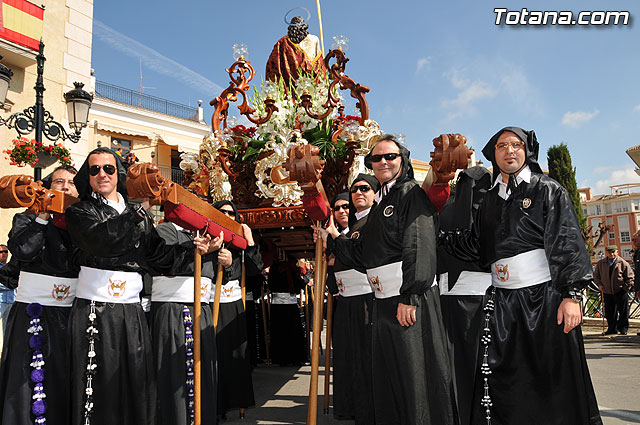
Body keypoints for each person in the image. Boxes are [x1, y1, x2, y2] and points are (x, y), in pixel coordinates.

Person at [441, 127, 602, 425]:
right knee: (505, 381)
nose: (510, 150)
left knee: (550, 381)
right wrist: (439, 237)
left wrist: (571, 296)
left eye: (516, 145)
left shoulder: (548, 190)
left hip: (544, 301)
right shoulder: (488, 201)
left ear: (526, 151)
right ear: (494, 153)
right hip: (502, 303)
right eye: (502, 146)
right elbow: (476, 246)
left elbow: (566, 242)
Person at [65, 147, 211, 425]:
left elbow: (158, 257)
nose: (101, 174)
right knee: (99, 384)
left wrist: (195, 249)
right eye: (94, 169)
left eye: (108, 168)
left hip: (132, 311)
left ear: (118, 174)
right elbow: (101, 241)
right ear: (88, 175)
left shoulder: (137, 214)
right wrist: (138, 213)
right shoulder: (80, 211)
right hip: (96, 310)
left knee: (137, 380)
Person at [319, 134, 457, 424]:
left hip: (406, 301)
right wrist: (334, 240)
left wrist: (411, 296)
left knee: (413, 379)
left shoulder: (410, 193)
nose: (383, 162)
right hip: (383, 303)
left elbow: (418, 243)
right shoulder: (381, 201)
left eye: (390, 156)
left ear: (402, 160)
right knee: (390, 379)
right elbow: (363, 253)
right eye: (377, 158)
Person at [0, 165, 80, 425]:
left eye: (71, 182)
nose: (65, 187)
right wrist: (43, 215)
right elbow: (24, 251)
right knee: (28, 375)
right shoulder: (27, 218)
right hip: (33, 311)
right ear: (48, 187)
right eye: (59, 182)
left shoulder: (81, 223)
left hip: (69, 312)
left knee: (64, 374)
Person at [150, 221, 224, 425]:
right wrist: (195, 249)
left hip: (202, 309)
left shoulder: (207, 235)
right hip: (175, 309)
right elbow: (166, 261)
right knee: (175, 372)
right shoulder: (166, 230)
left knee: (203, 372)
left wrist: (224, 261)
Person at [436, 166, 492, 425]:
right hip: (478, 300)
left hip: (455, 299)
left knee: (459, 366)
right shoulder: (488, 209)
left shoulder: (445, 211)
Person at [325, 174, 378, 423]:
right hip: (344, 302)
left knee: (365, 360)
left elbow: (361, 257)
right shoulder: (333, 235)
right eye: (337, 208)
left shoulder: (367, 224)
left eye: (346, 205)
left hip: (367, 301)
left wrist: (337, 239)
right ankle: (347, 407)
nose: (343, 210)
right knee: (345, 358)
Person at [211, 200, 263, 420]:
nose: (226, 215)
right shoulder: (206, 235)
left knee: (235, 356)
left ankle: (235, 402)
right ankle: (215, 405)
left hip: (232, 303)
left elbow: (255, 271)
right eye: (221, 212)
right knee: (213, 357)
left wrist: (249, 243)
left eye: (231, 213)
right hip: (208, 304)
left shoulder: (240, 241)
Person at [265, 15, 327, 88]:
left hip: (309, 82)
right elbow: (274, 64)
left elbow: (319, 62)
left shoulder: (313, 39)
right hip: (290, 84)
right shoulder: (283, 43)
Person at [593, 245, 634, 335]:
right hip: (607, 291)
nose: (611, 254)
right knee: (609, 312)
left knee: (623, 311)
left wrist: (625, 288)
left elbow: (630, 278)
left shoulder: (623, 263)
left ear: (617, 252)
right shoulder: (601, 263)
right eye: (609, 252)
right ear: (606, 253)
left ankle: (623, 328)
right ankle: (612, 328)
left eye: (613, 252)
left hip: (620, 291)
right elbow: (596, 276)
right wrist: (599, 285)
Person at [0, 244, 15, 336]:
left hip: (11, 301)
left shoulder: (12, 267)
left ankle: (5, 350)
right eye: (1, 252)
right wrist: (11, 285)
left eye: (6, 251)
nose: (4, 253)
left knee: (8, 328)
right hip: (0, 301)